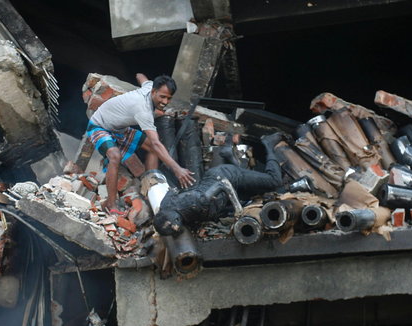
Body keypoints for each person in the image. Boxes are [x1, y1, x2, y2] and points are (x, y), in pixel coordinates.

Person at [87, 73, 195, 213]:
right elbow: (156, 143)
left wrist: (138, 75)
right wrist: (177, 169)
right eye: (162, 97)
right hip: (99, 126)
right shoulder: (143, 110)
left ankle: (150, 185)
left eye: (169, 98)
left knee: (151, 147)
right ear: (154, 92)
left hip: (120, 129)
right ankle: (111, 205)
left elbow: (140, 77)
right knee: (115, 156)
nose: (165, 102)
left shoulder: (149, 86)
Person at [153, 133, 285, 236]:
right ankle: (229, 155)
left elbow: (223, 184)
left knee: (274, 182)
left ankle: (268, 145)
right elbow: (173, 190)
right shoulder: (164, 205)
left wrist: (239, 211)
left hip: (227, 176)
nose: (176, 228)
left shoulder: (197, 201)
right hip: (217, 190)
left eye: (174, 226)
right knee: (257, 195)